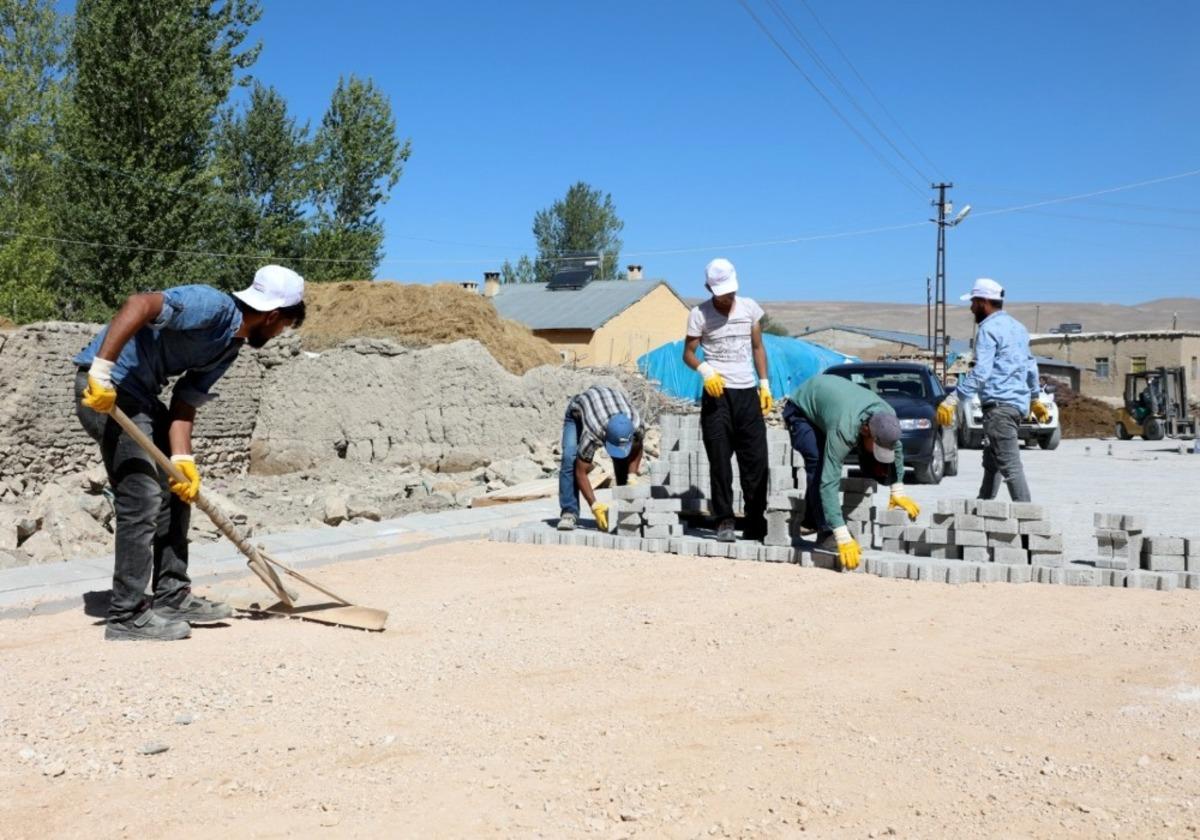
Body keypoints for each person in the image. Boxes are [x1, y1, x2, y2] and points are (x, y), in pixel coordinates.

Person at [74, 265, 306, 641]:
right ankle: (126, 615)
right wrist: (102, 371)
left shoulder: (228, 349)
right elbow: (140, 304)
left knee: (178, 490)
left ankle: (171, 595)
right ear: (274, 315)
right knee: (142, 496)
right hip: (105, 392)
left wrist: (184, 462)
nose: (280, 334)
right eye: (285, 326)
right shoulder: (211, 305)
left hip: (142, 399)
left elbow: (184, 403)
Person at [782, 374, 920, 570]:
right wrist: (841, 533)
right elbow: (829, 482)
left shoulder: (887, 415)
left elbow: (896, 448)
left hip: (831, 405)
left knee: (869, 462)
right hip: (802, 408)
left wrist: (897, 489)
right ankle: (825, 531)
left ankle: (810, 519)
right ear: (865, 430)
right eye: (877, 445)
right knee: (819, 462)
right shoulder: (843, 429)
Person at [682, 258, 772, 542]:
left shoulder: (749, 309)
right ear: (709, 288)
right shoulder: (699, 314)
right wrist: (705, 370)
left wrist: (765, 383)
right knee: (720, 462)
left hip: (747, 395)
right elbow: (688, 353)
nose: (728, 298)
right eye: (722, 293)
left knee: (755, 462)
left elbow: (758, 347)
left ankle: (756, 520)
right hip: (716, 395)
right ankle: (724, 520)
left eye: (731, 292)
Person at [937, 278, 1046, 502]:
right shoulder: (1018, 328)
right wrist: (1034, 398)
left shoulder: (988, 330)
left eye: (973, 302)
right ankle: (983, 507)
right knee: (992, 462)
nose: (971, 308)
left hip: (999, 409)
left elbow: (981, 373)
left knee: (1010, 467)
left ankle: (1027, 524)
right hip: (1016, 407)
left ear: (984, 302)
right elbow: (1031, 367)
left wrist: (953, 399)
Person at [557, 385, 645, 532]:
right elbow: (581, 471)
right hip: (577, 413)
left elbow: (638, 447)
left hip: (609, 406)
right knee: (569, 458)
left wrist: (632, 475)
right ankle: (569, 512)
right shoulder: (594, 431)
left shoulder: (636, 425)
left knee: (622, 461)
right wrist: (594, 506)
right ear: (605, 436)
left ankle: (625, 511)